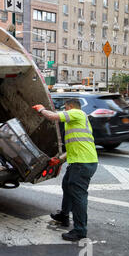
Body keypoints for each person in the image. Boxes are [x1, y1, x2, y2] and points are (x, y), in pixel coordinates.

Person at [32, 99, 98, 242]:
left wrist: (41, 109)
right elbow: (74, 147)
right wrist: (59, 160)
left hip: (82, 164)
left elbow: (53, 116)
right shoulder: (75, 124)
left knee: (78, 196)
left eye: (65, 108)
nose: (65, 111)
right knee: (67, 186)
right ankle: (64, 215)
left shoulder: (78, 113)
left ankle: (80, 230)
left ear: (70, 107)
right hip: (80, 162)